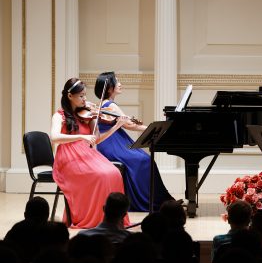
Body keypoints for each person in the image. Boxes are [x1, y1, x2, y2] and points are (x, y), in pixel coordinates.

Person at [50, 78, 130, 229]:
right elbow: (54, 138)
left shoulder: (87, 116)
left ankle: (112, 219)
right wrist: (81, 136)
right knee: (100, 175)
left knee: (114, 173)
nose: (85, 99)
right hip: (68, 159)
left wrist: (116, 126)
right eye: (81, 96)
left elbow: (97, 140)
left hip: (87, 155)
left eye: (85, 95)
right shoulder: (59, 116)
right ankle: (93, 218)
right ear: (69, 96)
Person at [94, 72, 174, 212]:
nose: (120, 84)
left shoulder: (106, 104)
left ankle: (155, 199)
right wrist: (153, 129)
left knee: (144, 159)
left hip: (114, 141)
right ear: (108, 88)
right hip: (110, 143)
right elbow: (129, 125)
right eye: (117, 82)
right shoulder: (110, 105)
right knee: (144, 160)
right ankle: (150, 201)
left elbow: (127, 123)